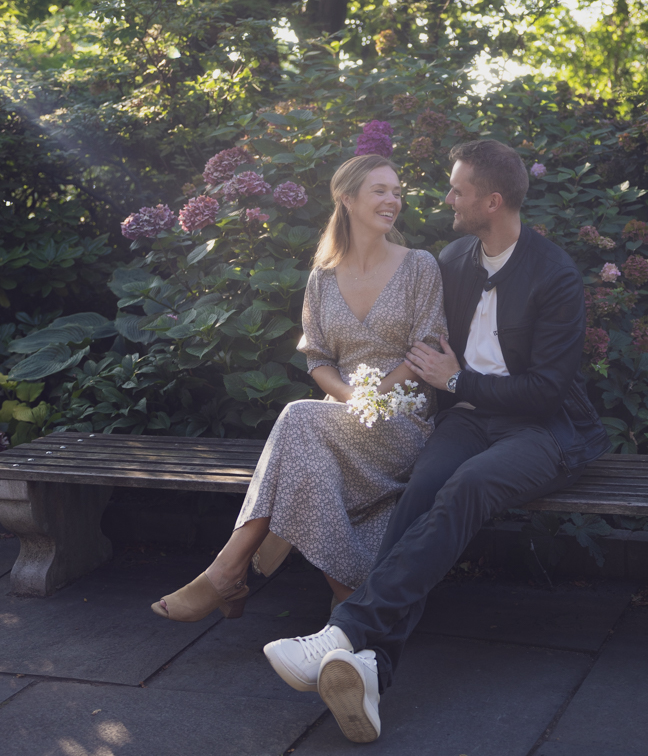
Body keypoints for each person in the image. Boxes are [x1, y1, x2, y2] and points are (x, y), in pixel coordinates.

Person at [264, 139, 611, 743]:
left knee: (466, 485)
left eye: (458, 190)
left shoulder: (553, 274)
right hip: (470, 420)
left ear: (492, 201)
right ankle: (370, 667)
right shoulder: (453, 259)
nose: (447, 198)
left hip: (546, 430)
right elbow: (414, 330)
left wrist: (458, 380)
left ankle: (345, 632)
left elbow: (547, 392)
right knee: (424, 485)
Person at [151, 153, 447, 622]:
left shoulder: (419, 267)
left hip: (401, 421)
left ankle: (228, 571)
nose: (393, 200)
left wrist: (372, 399)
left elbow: (427, 348)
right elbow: (318, 359)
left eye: (397, 191)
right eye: (380, 190)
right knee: (307, 440)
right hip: (337, 420)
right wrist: (350, 400)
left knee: (296, 417)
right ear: (347, 199)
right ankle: (348, 599)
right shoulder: (322, 278)